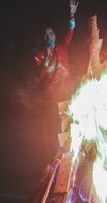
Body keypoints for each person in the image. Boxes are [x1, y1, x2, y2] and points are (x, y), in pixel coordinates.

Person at [34, 0, 79, 157]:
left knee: (68, 120)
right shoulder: (39, 55)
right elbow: (39, 77)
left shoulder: (62, 47)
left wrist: (72, 15)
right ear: (44, 37)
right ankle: (55, 153)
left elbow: (70, 31)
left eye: (52, 33)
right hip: (51, 95)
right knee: (53, 125)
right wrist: (45, 62)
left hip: (66, 90)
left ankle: (69, 149)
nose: (51, 36)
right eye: (48, 34)